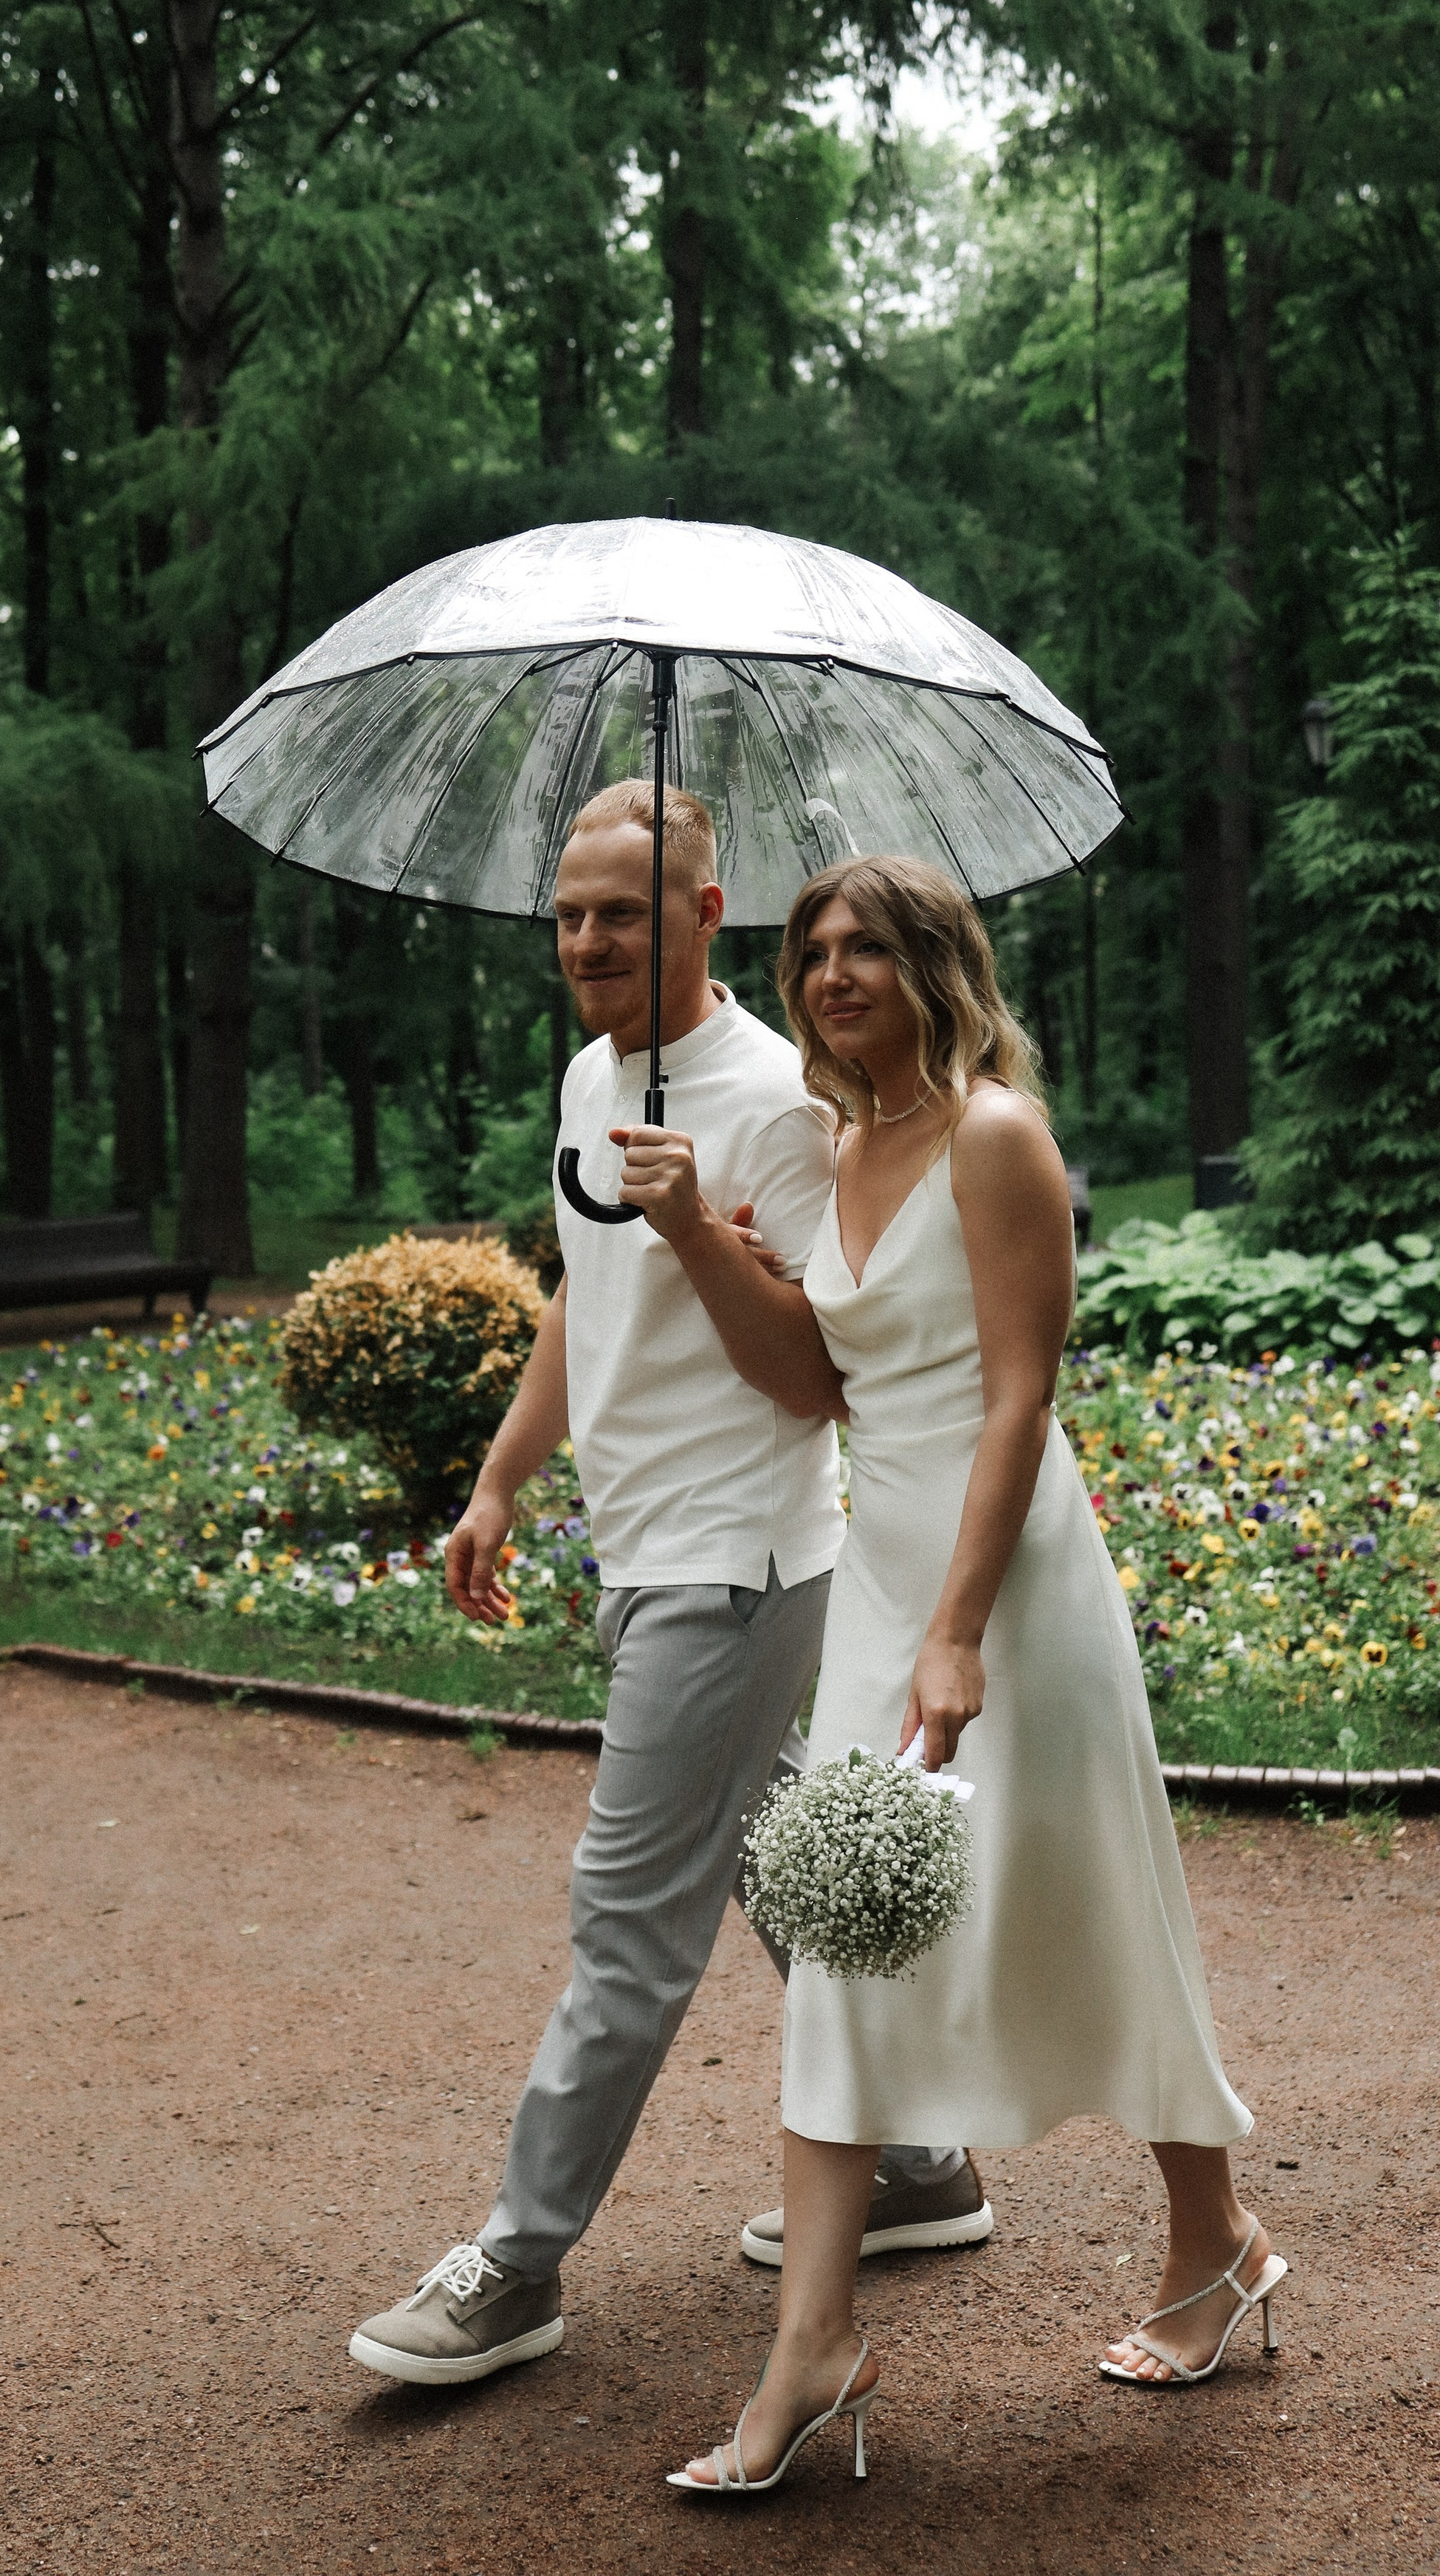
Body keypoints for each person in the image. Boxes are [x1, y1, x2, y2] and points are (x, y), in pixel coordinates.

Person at [614, 853, 1283, 2496]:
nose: (829, 974)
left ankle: (1213, 2241)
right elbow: (810, 1388)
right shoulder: (836, 1146)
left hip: (1010, 1590)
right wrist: (696, 1231)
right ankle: (812, 2354)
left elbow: (1014, 1399)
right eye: (810, 952)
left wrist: (961, 1624)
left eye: (862, 949)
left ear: (934, 963)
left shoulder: (992, 1135)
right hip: (882, 1584)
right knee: (845, 1940)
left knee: (1083, 1908)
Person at [347, 791, 984, 2392]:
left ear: (704, 917)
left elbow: (806, 1384)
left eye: (618, 915)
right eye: (564, 913)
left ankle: (515, 2261)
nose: (582, 941)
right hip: (641, 1546)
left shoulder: (776, 1104)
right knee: (773, 1863)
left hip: (734, 1560)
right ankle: (915, 2160)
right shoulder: (586, 1076)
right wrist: (502, 1475)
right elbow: (584, 1289)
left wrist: (692, 1212)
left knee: (626, 1925)